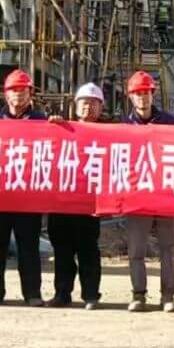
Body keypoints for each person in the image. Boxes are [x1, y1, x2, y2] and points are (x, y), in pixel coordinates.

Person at [0, 69, 47, 307]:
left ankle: (32, 293)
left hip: (28, 197)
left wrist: (60, 126)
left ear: (30, 94)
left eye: (23, 90)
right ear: (5, 94)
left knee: (28, 247)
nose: (18, 94)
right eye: (13, 90)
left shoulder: (43, 122)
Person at [122, 69, 174, 312]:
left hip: (164, 194)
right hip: (137, 197)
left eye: (146, 93)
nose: (142, 98)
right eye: (138, 93)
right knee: (136, 249)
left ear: (152, 95)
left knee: (168, 249)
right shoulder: (124, 126)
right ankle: (139, 294)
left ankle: (168, 295)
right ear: (130, 97)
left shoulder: (169, 123)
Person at [49, 82, 105, 310]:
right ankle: (62, 294)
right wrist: (52, 127)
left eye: (93, 103)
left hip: (89, 204)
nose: (88, 107)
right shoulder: (62, 129)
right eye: (84, 102)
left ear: (100, 107)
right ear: (75, 105)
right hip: (61, 202)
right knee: (62, 251)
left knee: (88, 250)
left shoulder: (109, 134)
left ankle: (90, 294)